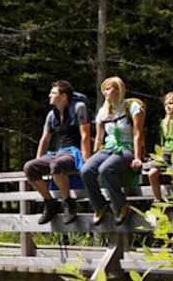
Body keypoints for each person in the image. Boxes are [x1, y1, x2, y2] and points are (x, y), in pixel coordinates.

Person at [23, 80, 92, 224]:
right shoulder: (51, 115)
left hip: (74, 152)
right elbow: (44, 139)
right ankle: (50, 203)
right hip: (59, 153)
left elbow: (85, 135)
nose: (49, 95)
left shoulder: (79, 108)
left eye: (53, 93)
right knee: (30, 167)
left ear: (64, 96)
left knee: (56, 165)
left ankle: (68, 202)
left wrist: (86, 160)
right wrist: (38, 161)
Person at [81, 76, 144, 226]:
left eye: (109, 88)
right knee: (86, 170)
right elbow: (99, 138)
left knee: (105, 169)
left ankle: (121, 205)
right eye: (104, 89)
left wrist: (137, 157)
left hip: (126, 147)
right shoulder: (103, 112)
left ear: (119, 90)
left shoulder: (132, 107)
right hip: (108, 148)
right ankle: (100, 206)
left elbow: (138, 133)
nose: (106, 92)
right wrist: (93, 155)